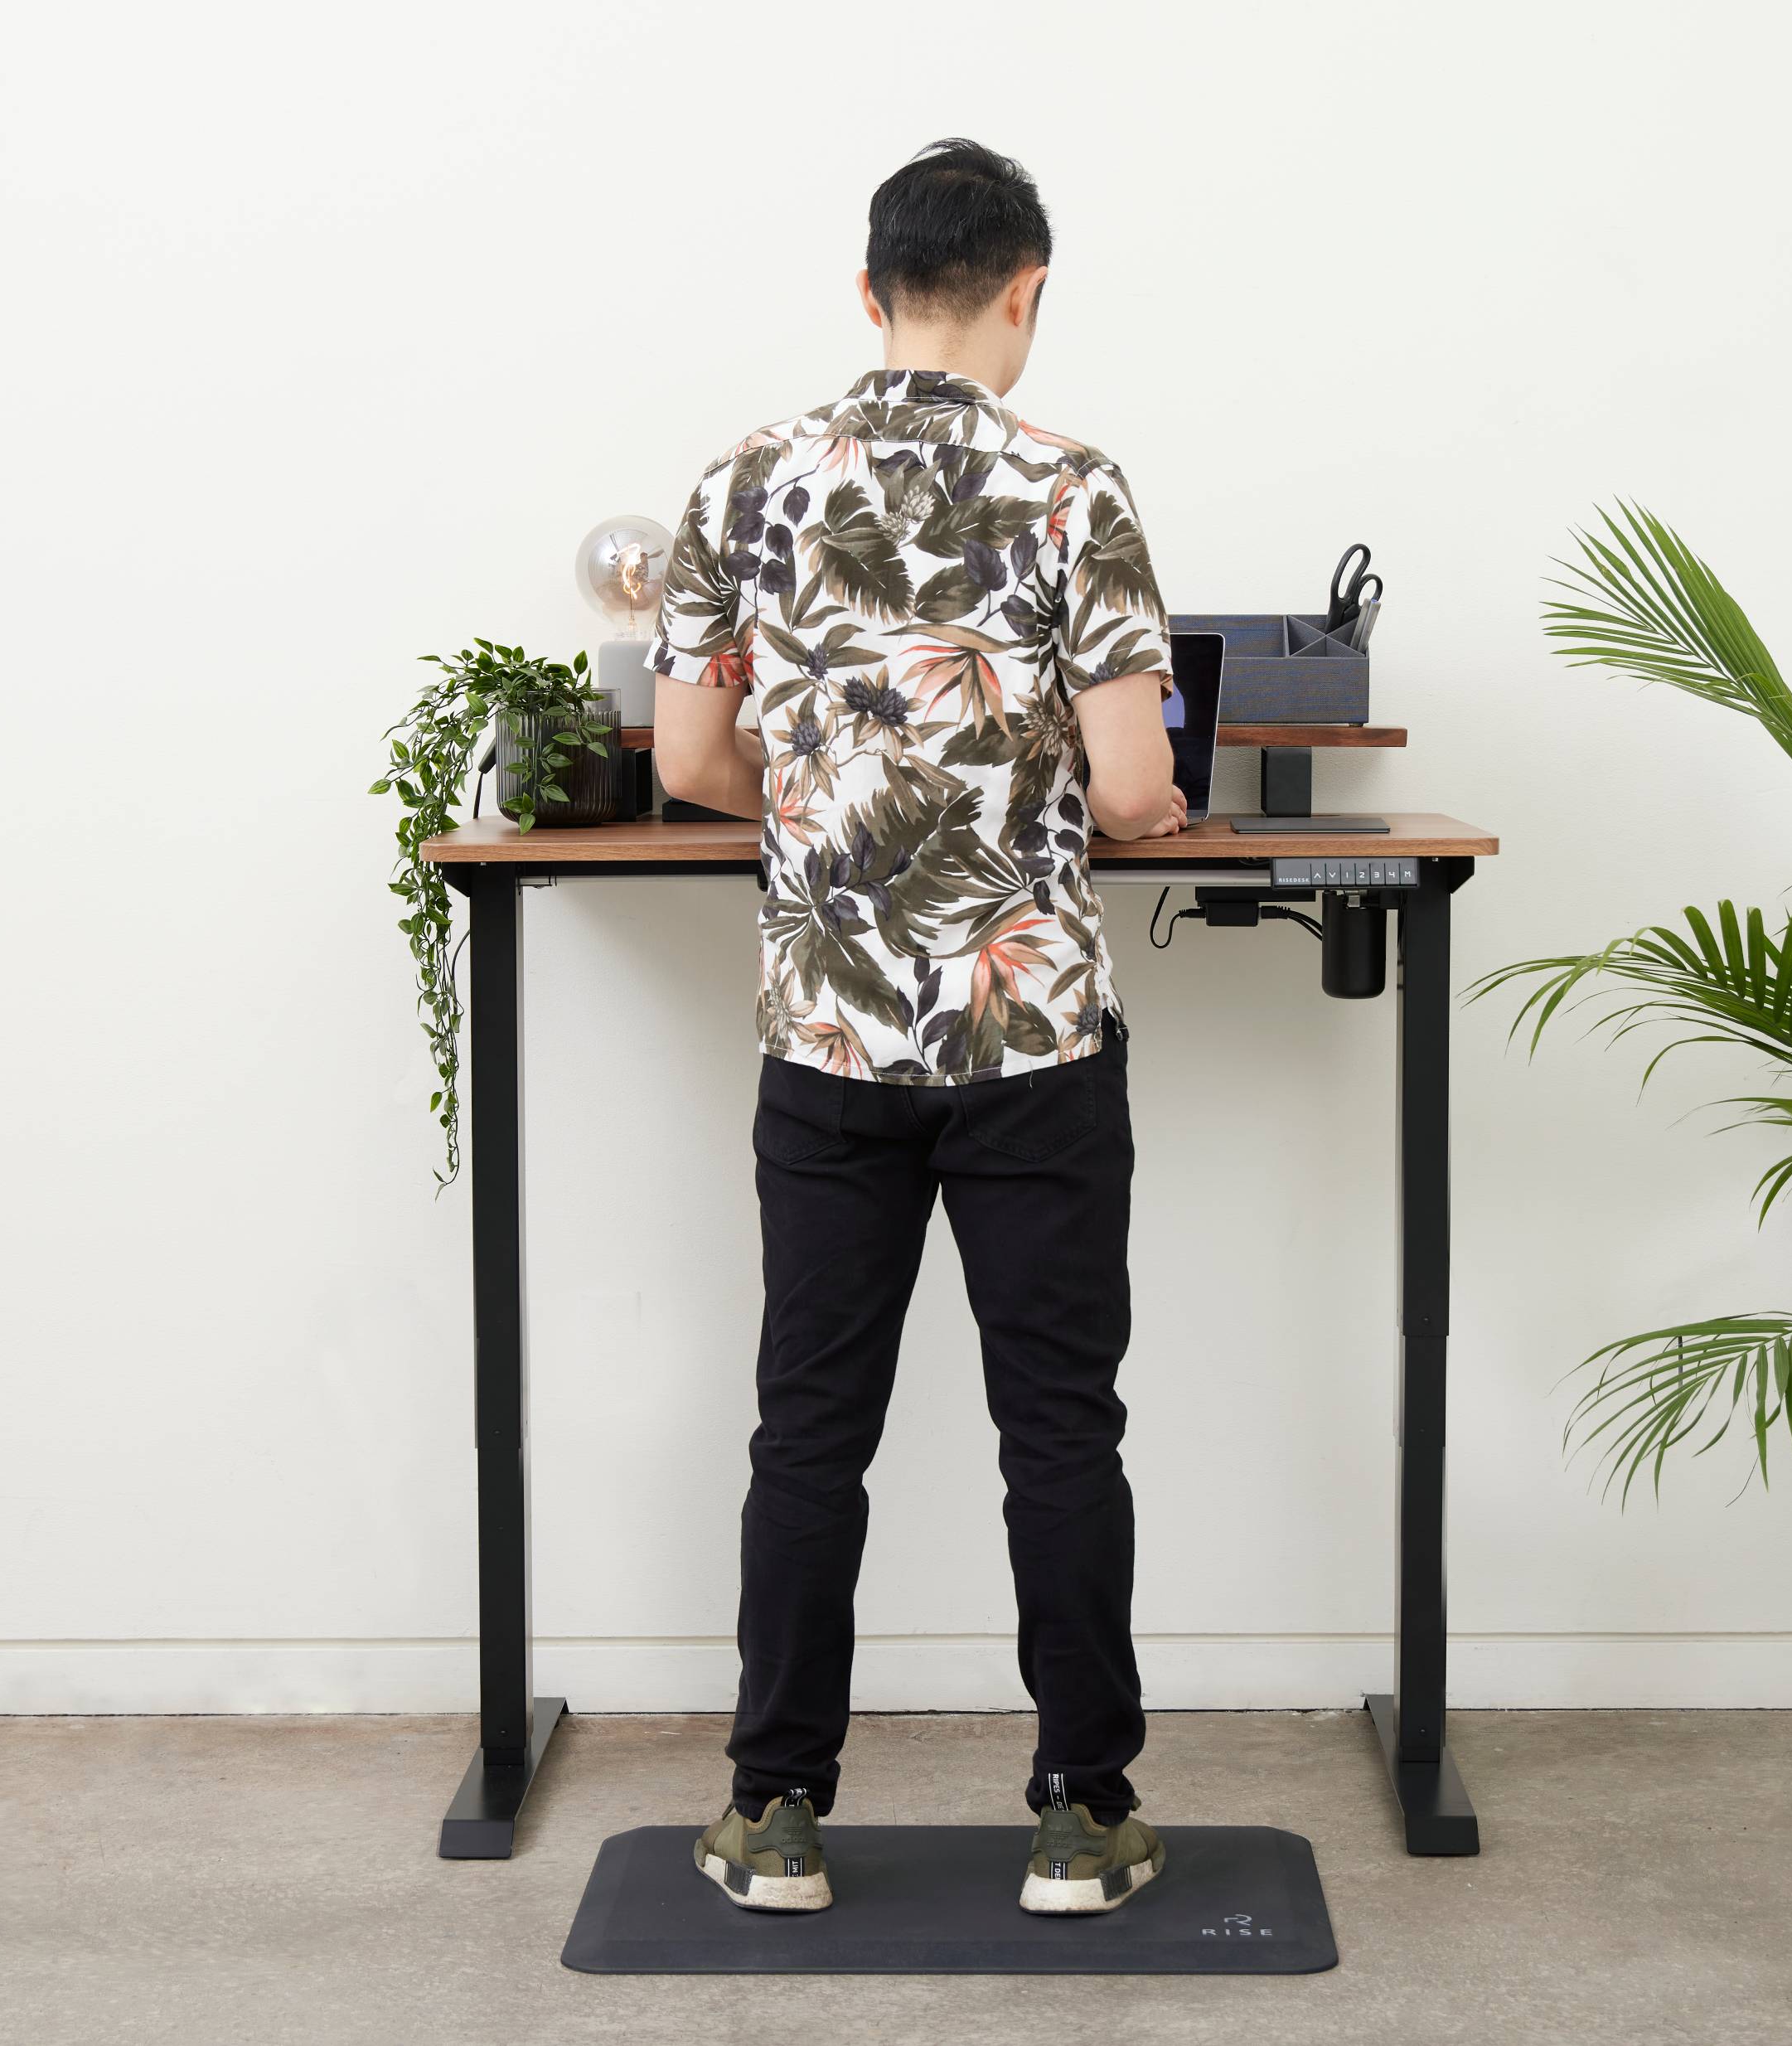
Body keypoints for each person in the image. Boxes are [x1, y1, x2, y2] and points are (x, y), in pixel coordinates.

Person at [653, 138, 1181, 1918]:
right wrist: (1143, 803)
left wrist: (823, 815)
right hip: (1027, 1038)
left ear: (867, 293)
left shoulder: (742, 481)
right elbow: (1126, 788)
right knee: (1060, 1430)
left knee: (808, 1428)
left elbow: (685, 764)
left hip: (826, 1040)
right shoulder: (1073, 488)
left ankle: (774, 1810)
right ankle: (1079, 1813)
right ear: (1026, 288)